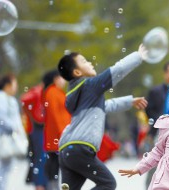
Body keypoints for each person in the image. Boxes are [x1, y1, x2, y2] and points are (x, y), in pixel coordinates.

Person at [57, 44, 147, 189]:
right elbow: (116, 70)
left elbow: (105, 106)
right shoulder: (90, 86)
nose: (90, 63)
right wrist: (137, 56)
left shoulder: (76, 94)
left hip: (66, 151)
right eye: (85, 62)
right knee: (107, 183)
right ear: (77, 72)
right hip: (81, 149)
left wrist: (129, 101)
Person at [143, 61, 169, 187]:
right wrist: (160, 120)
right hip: (159, 133)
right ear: (165, 73)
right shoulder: (156, 91)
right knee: (154, 166)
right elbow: (149, 110)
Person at [42, 70, 71, 190]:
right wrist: (63, 133)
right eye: (62, 77)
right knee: (54, 163)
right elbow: (55, 115)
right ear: (55, 79)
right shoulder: (52, 92)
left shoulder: (56, 92)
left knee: (56, 163)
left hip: (58, 134)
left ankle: (54, 186)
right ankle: (52, 187)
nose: (64, 80)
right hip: (57, 135)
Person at [0, 74, 27, 190]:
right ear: (7, 85)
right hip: (3, 137)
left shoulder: (10, 99)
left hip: (9, 138)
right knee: (3, 167)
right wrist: (13, 128)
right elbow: (1, 117)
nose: (16, 88)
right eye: (14, 84)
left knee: (6, 166)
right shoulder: (1, 97)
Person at [21, 82, 48, 190]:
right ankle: (40, 185)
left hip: (39, 130)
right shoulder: (39, 90)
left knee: (41, 158)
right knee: (41, 158)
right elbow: (24, 99)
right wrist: (35, 114)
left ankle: (42, 184)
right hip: (37, 130)